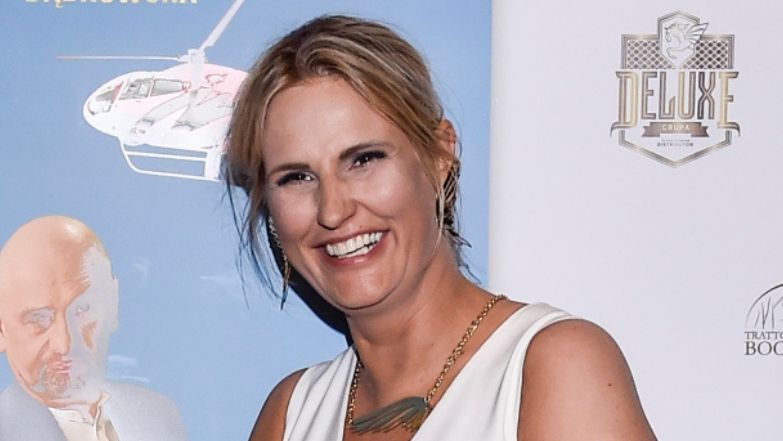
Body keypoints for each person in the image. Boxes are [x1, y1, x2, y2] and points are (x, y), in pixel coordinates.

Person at [225, 16, 657, 441]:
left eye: (364, 159)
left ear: (439, 156)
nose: (333, 211)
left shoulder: (553, 366)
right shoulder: (291, 415)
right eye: (297, 177)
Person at [0, 216, 188, 441]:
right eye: (38, 319)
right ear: (2, 330)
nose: (64, 343)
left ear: (113, 302)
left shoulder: (159, 416)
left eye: (82, 309)